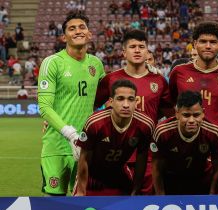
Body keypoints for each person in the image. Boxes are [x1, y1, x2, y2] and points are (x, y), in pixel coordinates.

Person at [94, 29, 172, 195]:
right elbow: (91, 106)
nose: (137, 50)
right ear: (124, 52)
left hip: (148, 153)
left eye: (141, 47)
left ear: (147, 51)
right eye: (132, 46)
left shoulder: (158, 81)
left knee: (145, 202)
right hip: (115, 153)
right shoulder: (111, 79)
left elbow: (171, 114)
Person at [38, 11, 105, 195]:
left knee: (83, 203)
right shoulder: (52, 63)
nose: (77, 31)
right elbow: (44, 107)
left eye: (82, 27)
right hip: (57, 146)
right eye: (72, 28)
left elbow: (106, 103)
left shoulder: (97, 64)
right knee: (53, 205)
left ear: (89, 33)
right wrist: (70, 134)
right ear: (63, 36)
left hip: (87, 147)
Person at [74, 79, 154, 196]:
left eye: (130, 99)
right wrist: (81, 191)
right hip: (92, 176)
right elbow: (84, 159)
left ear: (136, 102)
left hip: (119, 174)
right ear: (111, 101)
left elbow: (141, 160)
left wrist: (135, 190)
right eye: (120, 99)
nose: (126, 105)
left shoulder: (146, 125)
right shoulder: (95, 123)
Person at [169, 22, 218, 134]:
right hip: (186, 141)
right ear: (195, 44)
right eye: (203, 41)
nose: (208, 46)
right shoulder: (179, 72)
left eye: (213, 42)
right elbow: (171, 103)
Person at [151, 91, 218, 195]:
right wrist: (161, 197)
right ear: (177, 113)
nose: (191, 120)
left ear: (203, 113)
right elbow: (156, 167)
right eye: (186, 115)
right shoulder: (163, 132)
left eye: (196, 115)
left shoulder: (214, 132)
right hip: (171, 180)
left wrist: (211, 197)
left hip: (201, 179)